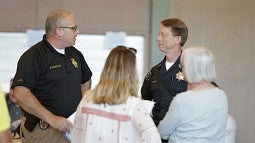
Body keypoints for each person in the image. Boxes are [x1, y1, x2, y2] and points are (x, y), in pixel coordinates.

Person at [12, 9, 92, 143]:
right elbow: (21, 94)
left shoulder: (75, 54)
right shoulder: (34, 56)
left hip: (72, 129)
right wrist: (52, 119)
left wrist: (82, 108)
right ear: (60, 30)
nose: (77, 32)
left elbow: (86, 80)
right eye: (74, 28)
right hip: (44, 131)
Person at [72, 46, 161, 143]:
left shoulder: (87, 99)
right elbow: (153, 138)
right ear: (131, 73)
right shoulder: (133, 105)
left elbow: (76, 134)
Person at [158, 46, 228, 143]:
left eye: (182, 67)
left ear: (192, 69)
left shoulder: (183, 100)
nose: (181, 71)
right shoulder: (221, 95)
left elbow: (163, 131)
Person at [141, 18, 188, 129]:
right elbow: (144, 101)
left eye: (163, 35)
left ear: (177, 39)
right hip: (157, 133)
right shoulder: (154, 71)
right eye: (159, 34)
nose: (158, 39)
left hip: (181, 134)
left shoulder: (191, 69)